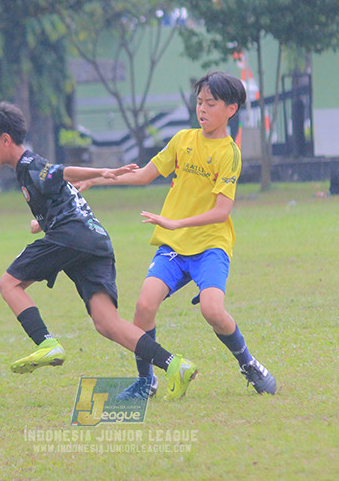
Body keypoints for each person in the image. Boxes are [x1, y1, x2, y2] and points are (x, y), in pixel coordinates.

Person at [0, 102, 197, 400]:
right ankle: (174, 365)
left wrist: (103, 172)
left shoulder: (29, 164)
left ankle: (45, 343)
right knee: (107, 323)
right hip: (95, 241)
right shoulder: (27, 170)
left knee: (9, 283)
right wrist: (42, 222)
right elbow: (64, 193)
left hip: (73, 237)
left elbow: (62, 173)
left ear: (5, 140)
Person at [77, 71, 276, 399]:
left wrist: (177, 223)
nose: (202, 109)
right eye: (199, 102)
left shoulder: (229, 153)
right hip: (174, 247)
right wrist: (97, 179)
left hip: (211, 244)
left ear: (231, 109)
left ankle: (249, 363)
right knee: (143, 307)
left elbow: (222, 211)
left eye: (211, 104)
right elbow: (143, 176)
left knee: (212, 310)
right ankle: (147, 382)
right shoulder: (183, 140)